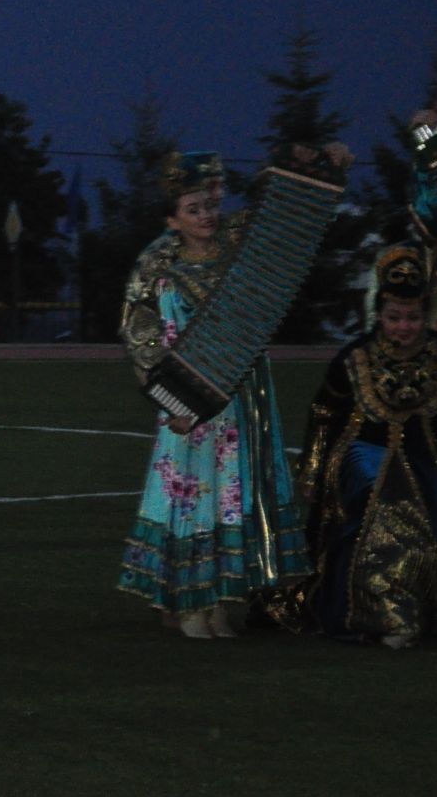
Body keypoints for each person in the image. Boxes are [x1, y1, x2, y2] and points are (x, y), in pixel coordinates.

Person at [117, 150, 313, 638]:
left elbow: (283, 210)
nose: (208, 213)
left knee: (233, 494)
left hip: (242, 398)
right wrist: (173, 402)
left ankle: (219, 601)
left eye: (212, 202)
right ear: (172, 218)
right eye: (195, 207)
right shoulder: (158, 263)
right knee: (192, 497)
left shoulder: (236, 247)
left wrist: (313, 164)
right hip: (189, 402)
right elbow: (142, 336)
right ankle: (187, 602)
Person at [287, 245, 437, 647]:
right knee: (380, 503)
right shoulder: (354, 358)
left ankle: (413, 614)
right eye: (394, 318)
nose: (404, 327)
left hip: (426, 457)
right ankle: (382, 618)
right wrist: (314, 469)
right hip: (362, 454)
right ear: (379, 314)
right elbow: (324, 412)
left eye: (413, 318)